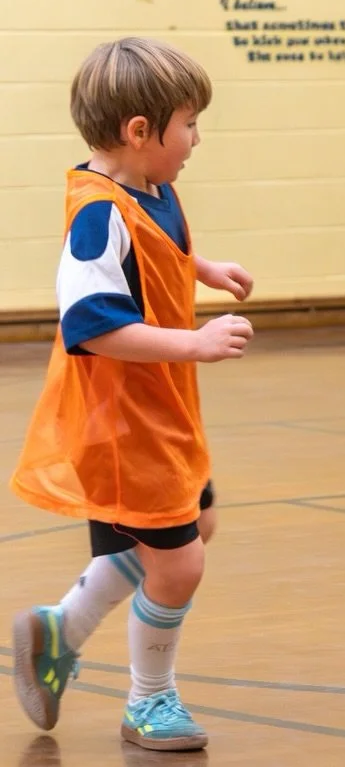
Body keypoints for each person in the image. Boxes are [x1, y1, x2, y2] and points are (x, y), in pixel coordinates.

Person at [10, 37, 255, 751]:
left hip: (162, 410)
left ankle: (62, 629)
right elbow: (90, 324)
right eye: (189, 123)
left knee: (191, 528)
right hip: (122, 424)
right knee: (179, 563)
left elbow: (156, 249)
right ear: (139, 132)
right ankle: (150, 700)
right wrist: (196, 342)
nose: (197, 138)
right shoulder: (97, 214)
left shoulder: (149, 188)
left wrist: (203, 267)